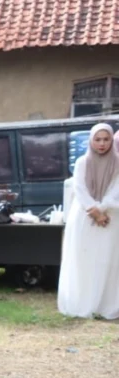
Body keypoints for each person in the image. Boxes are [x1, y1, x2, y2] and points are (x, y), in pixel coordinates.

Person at [58, 122, 119, 319]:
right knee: (83, 260)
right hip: (84, 217)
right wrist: (94, 211)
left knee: (106, 261)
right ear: (91, 141)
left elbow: (116, 189)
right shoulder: (82, 162)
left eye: (106, 139)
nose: (102, 144)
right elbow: (79, 188)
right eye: (98, 139)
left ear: (112, 140)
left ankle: (104, 305)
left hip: (111, 218)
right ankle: (83, 303)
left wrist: (103, 209)